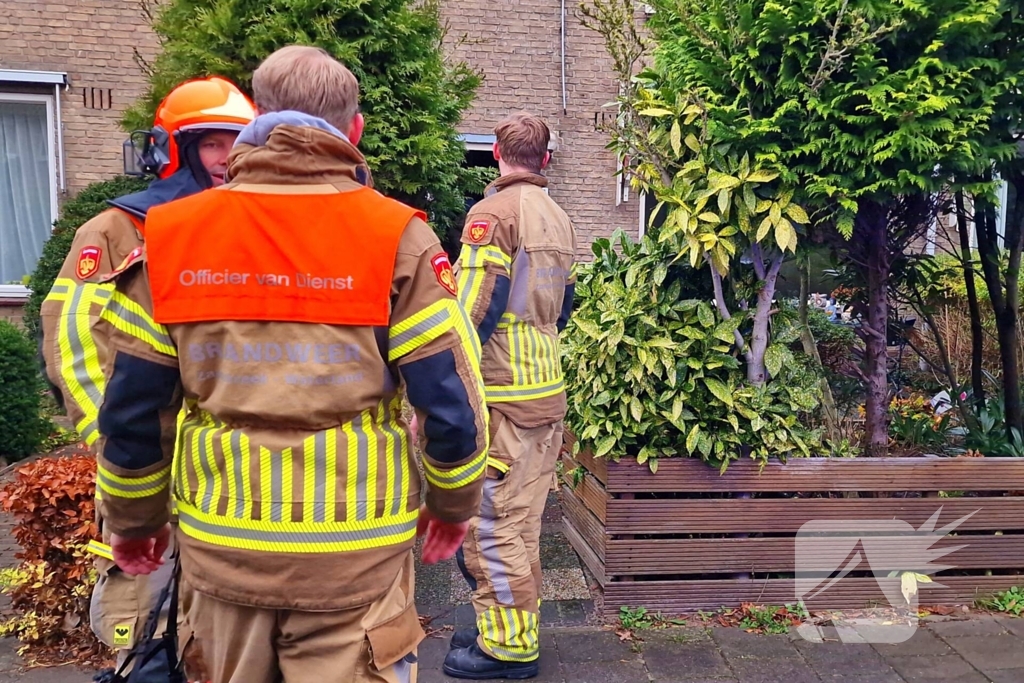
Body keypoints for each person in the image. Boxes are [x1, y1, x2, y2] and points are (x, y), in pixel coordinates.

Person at [94, 45, 488, 683]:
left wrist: (134, 520)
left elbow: (133, 407)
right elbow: (450, 402)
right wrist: (452, 504)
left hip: (223, 551)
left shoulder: (169, 236)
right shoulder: (397, 236)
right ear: (354, 129)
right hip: (355, 554)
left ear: (256, 121)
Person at [39, 75, 256, 679]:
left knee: (223, 634)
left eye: (236, 144)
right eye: (211, 144)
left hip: (223, 474)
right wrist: (114, 439)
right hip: (145, 465)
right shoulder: (115, 231)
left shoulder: (247, 226)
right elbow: (72, 343)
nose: (226, 158)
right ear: (172, 149)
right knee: (146, 629)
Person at [444, 112, 577, 680]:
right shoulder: (559, 217)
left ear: (496, 152)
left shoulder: (493, 214)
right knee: (521, 525)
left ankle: (507, 649)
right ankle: (508, 627)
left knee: (491, 527)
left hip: (502, 396)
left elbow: (473, 310)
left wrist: (444, 389)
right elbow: (564, 307)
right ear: (544, 159)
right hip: (546, 391)